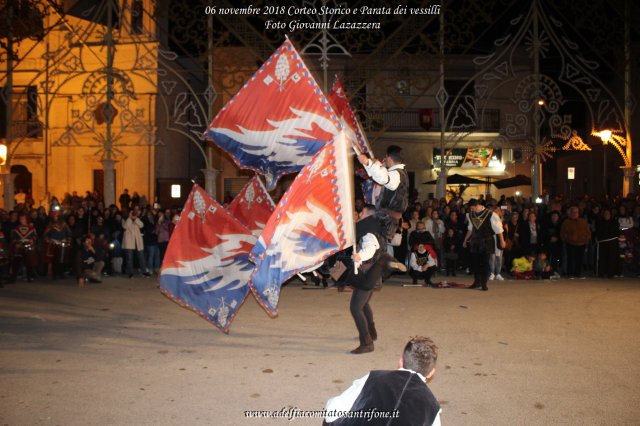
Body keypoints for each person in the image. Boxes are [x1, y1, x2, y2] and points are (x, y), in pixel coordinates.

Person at [324, 336, 441, 425]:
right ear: (431, 373)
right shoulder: (432, 407)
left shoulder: (374, 377)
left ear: (400, 361)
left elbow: (332, 410)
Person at [344, 204, 386, 354]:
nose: (360, 215)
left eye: (362, 212)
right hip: (371, 272)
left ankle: (367, 342)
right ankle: (372, 333)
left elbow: (370, 248)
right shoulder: (375, 228)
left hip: (367, 274)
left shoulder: (369, 232)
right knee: (364, 304)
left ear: (368, 214)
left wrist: (359, 256)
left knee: (355, 308)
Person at [462, 199, 505, 291]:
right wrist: (465, 240)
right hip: (475, 242)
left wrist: (502, 241)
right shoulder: (471, 215)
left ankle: (484, 283)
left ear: (477, 205)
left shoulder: (491, 214)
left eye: (472, 208)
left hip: (486, 242)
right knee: (475, 264)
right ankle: (477, 282)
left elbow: (498, 229)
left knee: (485, 263)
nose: (471, 210)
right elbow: (470, 229)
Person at [560, 206, 591, 279]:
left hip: (581, 243)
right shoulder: (566, 222)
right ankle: (570, 273)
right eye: (573, 212)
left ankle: (578, 273)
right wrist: (565, 239)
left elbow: (588, 232)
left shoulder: (583, 221)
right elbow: (562, 232)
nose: (574, 214)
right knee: (570, 259)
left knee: (579, 259)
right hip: (570, 243)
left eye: (576, 212)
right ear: (570, 213)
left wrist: (586, 240)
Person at [122, 206, 151, 278]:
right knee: (129, 257)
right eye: (135, 209)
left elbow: (141, 225)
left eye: (138, 209)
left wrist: (135, 219)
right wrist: (129, 218)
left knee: (141, 256)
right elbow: (125, 226)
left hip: (137, 241)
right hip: (129, 241)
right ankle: (130, 273)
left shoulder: (137, 218)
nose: (136, 211)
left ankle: (144, 271)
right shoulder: (125, 219)